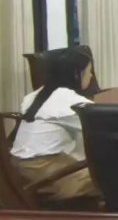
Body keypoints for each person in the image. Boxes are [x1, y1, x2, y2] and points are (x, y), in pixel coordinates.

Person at [11, 49, 101, 206]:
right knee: (115, 177)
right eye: (89, 71)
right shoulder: (71, 102)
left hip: (18, 170)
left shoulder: (37, 95)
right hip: (45, 175)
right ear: (76, 75)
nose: (91, 76)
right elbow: (104, 129)